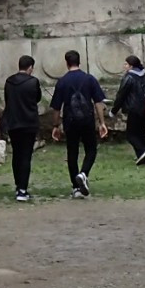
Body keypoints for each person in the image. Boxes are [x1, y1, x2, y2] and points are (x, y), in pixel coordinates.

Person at [48, 50, 108, 197]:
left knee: (72, 152)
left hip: (70, 120)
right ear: (79, 62)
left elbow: (56, 107)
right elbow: (98, 102)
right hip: (87, 119)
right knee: (91, 149)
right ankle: (83, 173)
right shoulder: (89, 79)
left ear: (67, 63)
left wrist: (56, 125)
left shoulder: (62, 82)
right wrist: (102, 122)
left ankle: (76, 188)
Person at [0, 54, 44, 201]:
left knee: (17, 155)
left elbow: (7, 99)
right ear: (30, 67)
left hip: (13, 123)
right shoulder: (33, 82)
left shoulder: (9, 82)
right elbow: (37, 98)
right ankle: (23, 190)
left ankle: (18, 185)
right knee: (26, 155)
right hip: (28, 123)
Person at [114, 53, 145, 165]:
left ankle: (143, 151)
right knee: (140, 133)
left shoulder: (129, 77)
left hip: (135, 110)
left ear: (131, 66)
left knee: (131, 135)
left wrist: (114, 110)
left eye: (126, 64)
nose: (124, 66)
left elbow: (121, 95)